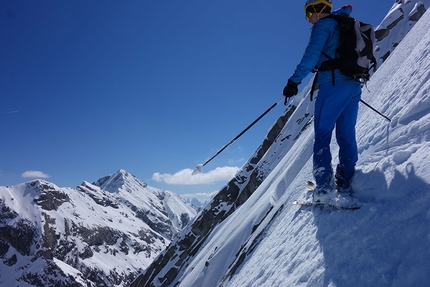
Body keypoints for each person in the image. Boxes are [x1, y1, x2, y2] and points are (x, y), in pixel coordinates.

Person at [283, 0, 362, 203]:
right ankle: (345, 181)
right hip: (353, 84)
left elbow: (311, 56)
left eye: (309, 14)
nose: (309, 20)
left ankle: (324, 189)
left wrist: (294, 81)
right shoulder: (343, 22)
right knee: (346, 133)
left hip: (332, 84)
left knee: (322, 135)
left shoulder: (323, 26)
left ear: (317, 9)